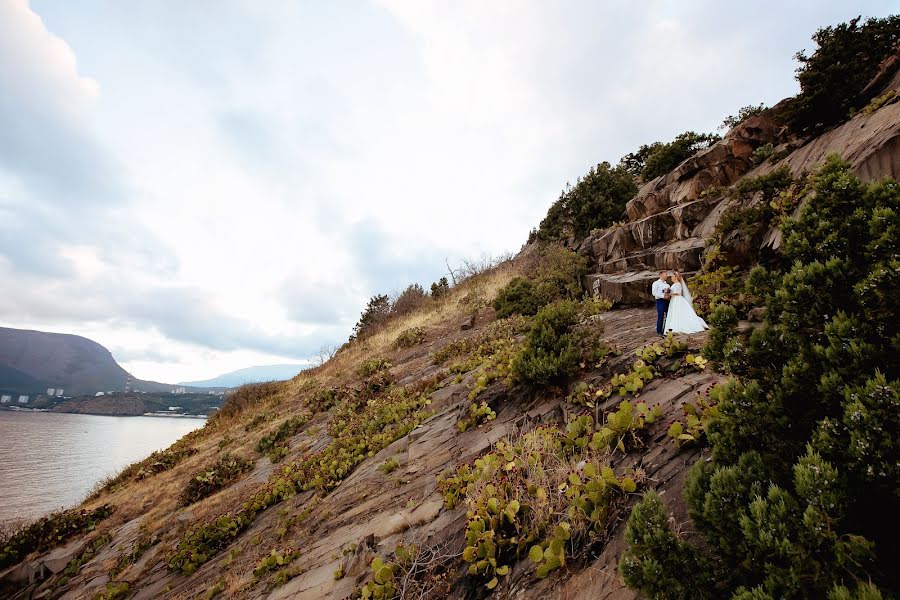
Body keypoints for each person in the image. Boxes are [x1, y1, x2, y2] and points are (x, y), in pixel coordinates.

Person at [651, 270, 671, 337]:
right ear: (661, 275)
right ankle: (659, 331)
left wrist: (668, 296)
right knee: (661, 316)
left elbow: (669, 292)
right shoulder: (656, 283)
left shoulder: (667, 285)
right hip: (660, 301)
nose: (667, 276)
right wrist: (663, 296)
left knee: (668, 315)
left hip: (667, 301)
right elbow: (654, 292)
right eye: (665, 274)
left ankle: (666, 330)